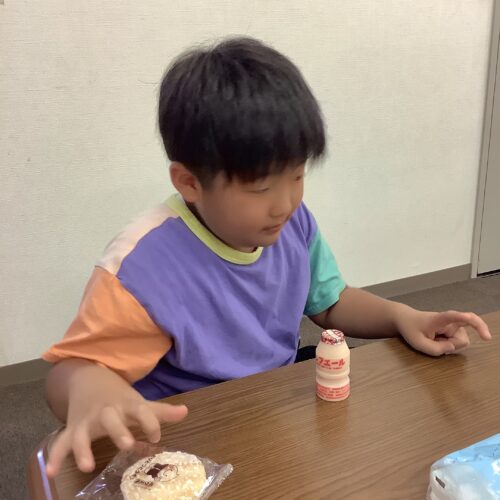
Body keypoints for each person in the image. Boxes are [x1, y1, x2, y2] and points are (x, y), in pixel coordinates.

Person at [43, 36, 491, 477]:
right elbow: (71, 371)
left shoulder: (292, 224)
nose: (286, 204)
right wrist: (89, 387)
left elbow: (331, 302)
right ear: (190, 183)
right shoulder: (141, 267)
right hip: (187, 436)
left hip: (274, 408)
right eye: (260, 187)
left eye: (296, 176)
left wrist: (402, 317)